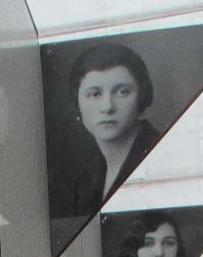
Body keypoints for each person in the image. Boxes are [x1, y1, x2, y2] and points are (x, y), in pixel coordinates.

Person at [49, 42, 161, 227]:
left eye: (122, 92)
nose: (107, 107)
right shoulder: (85, 178)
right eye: (94, 94)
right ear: (77, 102)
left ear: (142, 96)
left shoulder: (159, 156)